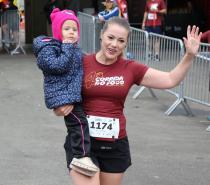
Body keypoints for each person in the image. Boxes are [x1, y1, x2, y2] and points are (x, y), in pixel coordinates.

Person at [53, 16, 201, 185]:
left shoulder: (131, 68)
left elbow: (170, 80)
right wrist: (58, 107)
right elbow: (57, 91)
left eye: (120, 40)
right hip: (82, 143)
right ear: (101, 35)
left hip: (114, 146)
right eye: (110, 37)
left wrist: (189, 55)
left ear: (125, 44)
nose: (114, 44)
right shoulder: (80, 63)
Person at [33, 8, 99, 177]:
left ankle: (80, 154)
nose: (71, 32)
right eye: (67, 29)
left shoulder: (73, 48)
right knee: (79, 124)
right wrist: (68, 47)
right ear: (57, 31)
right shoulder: (48, 48)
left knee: (77, 125)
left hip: (71, 94)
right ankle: (81, 156)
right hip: (62, 95)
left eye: (74, 29)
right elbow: (58, 66)